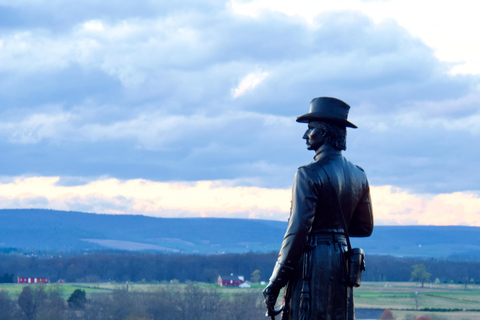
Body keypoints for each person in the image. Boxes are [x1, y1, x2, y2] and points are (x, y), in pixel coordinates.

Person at [263, 97, 374, 320]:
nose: (305, 135)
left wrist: (275, 282)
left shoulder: (308, 174)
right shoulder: (359, 175)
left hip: (313, 264)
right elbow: (364, 227)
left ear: (323, 132)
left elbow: (297, 231)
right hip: (340, 262)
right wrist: (333, 227)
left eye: (310, 129)